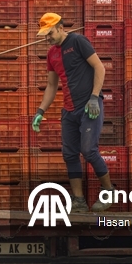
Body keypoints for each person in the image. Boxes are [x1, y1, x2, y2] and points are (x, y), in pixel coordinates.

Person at [32, 12, 114, 212]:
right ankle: (79, 200)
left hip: (88, 106)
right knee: (69, 154)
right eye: (45, 35)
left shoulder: (78, 42)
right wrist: (40, 111)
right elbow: (52, 86)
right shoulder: (51, 54)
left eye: (50, 33)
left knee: (89, 150)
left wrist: (94, 97)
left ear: (60, 27)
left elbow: (99, 68)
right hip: (69, 110)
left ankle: (109, 190)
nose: (47, 38)